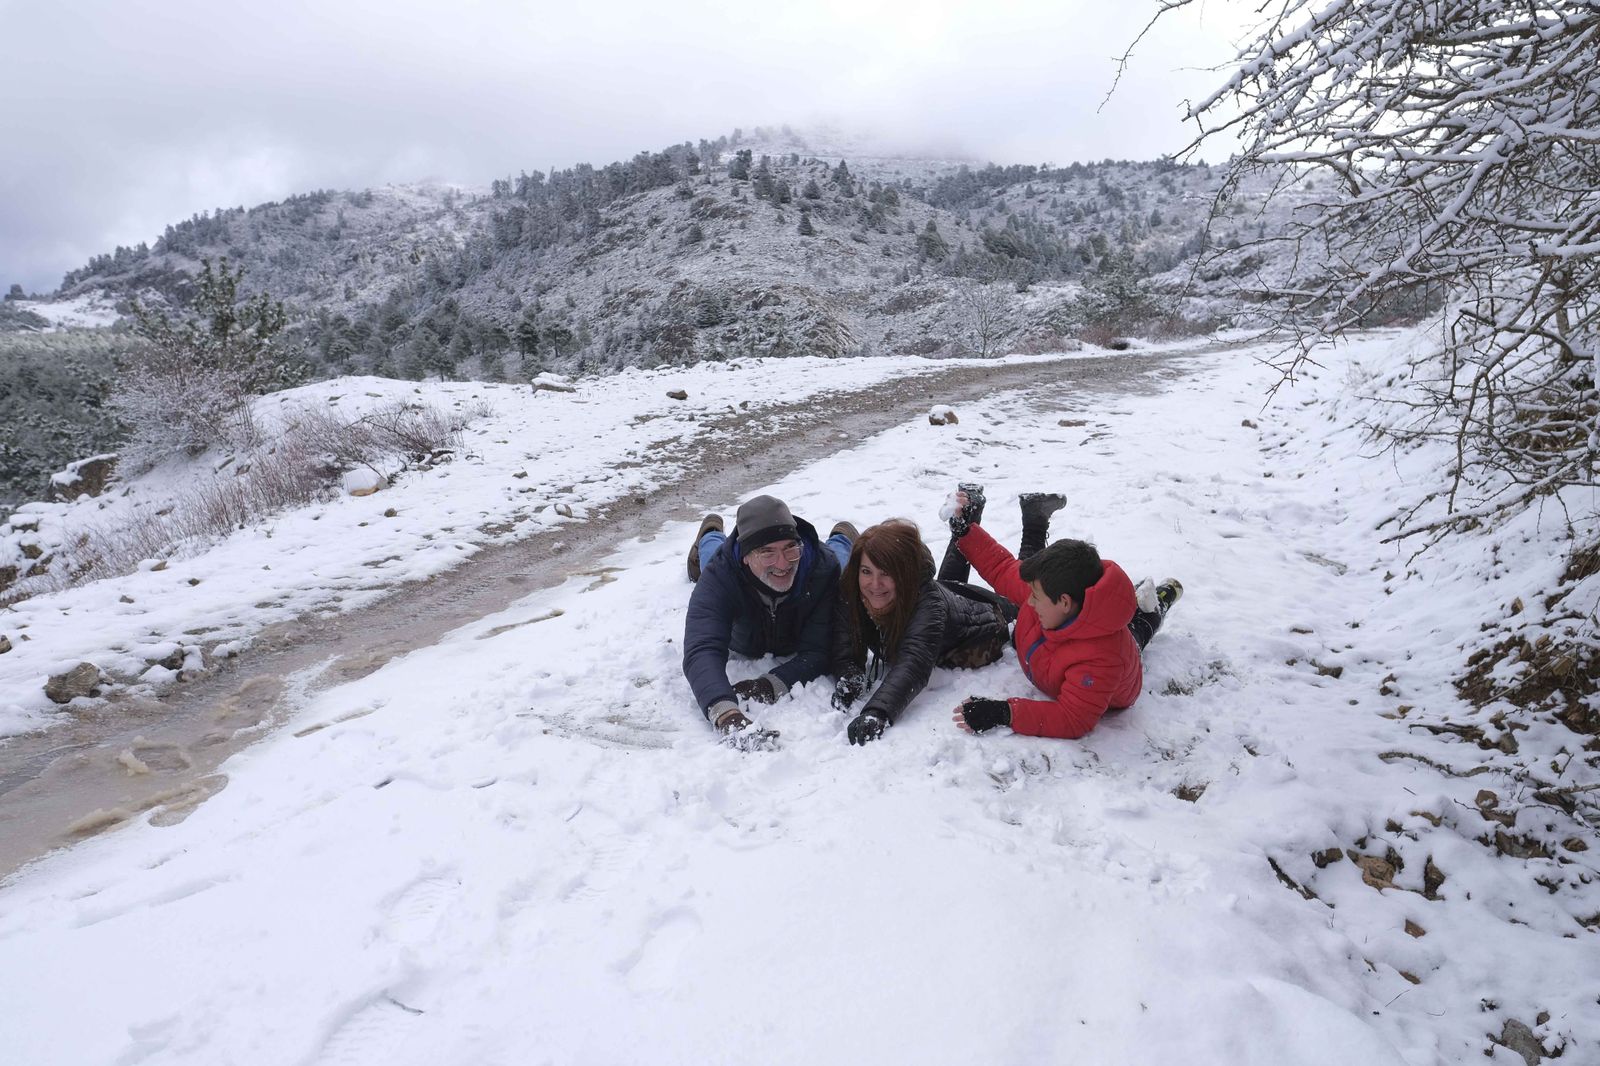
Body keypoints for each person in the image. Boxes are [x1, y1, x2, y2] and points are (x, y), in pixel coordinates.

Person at [939, 485, 1182, 739]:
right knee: (1122, 621)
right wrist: (965, 532)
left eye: (1035, 597)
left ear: (1065, 603)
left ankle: (1159, 603)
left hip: (1118, 666)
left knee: (1138, 631)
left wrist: (1004, 713)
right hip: (1077, 631)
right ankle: (1136, 602)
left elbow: (1073, 719)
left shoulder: (1102, 660)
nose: (1028, 602)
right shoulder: (1048, 591)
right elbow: (1001, 568)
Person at [683, 494, 856, 747]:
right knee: (711, 557)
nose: (783, 563)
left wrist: (769, 685)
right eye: (767, 553)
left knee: (839, 560)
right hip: (744, 634)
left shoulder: (822, 568)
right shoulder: (720, 575)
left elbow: (819, 650)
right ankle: (710, 533)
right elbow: (702, 647)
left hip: (819, 573)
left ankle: (843, 536)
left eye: (790, 548)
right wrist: (726, 712)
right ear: (745, 556)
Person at [829, 520, 1013, 745]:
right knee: (947, 585)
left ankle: (1034, 521)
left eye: (886, 573)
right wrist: (849, 675)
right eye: (867, 571)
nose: (874, 584)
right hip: (951, 596)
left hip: (983, 631)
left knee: (1025, 599)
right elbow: (845, 644)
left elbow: (914, 661)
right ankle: (965, 519)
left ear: (904, 574)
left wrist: (877, 711)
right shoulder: (851, 588)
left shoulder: (929, 605)